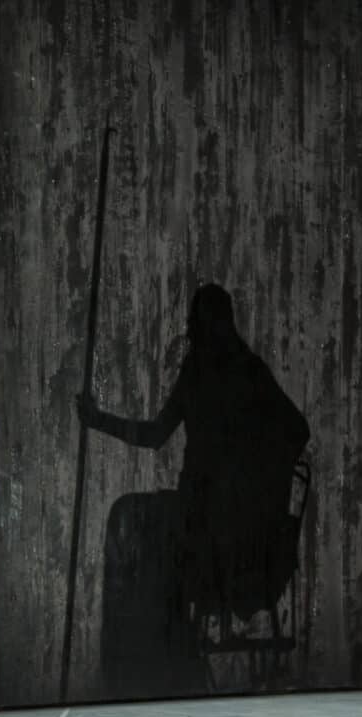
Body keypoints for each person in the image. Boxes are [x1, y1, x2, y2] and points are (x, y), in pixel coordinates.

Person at [78, 284, 310, 690]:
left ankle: (156, 657)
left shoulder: (221, 372)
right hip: (214, 517)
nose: (192, 332)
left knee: (135, 523)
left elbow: (155, 435)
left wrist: (257, 480)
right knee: (133, 518)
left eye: (196, 325)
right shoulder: (233, 371)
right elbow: (156, 436)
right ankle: (163, 651)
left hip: (219, 526)